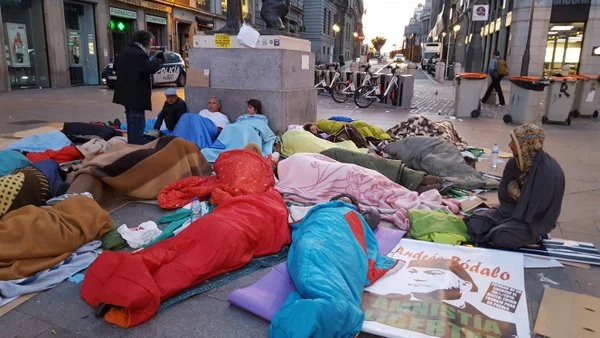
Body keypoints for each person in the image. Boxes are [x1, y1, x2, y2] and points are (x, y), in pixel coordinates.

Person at [467, 123, 565, 249]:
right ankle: (501, 231)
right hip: (510, 212)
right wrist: (516, 193)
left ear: (525, 145)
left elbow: (536, 210)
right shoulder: (514, 162)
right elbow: (504, 195)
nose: (510, 145)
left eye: (514, 141)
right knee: (477, 220)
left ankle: (534, 237)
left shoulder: (549, 172)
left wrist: (516, 192)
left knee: (500, 236)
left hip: (532, 222)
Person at [113, 30, 164, 145]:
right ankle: (136, 146)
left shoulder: (124, 51)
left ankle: (132, 143)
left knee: (131, 121)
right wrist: (158, 62)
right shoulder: (139, 53)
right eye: (151, 42)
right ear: (145, 42)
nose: (151, 45)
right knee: (137, 122)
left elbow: (116, 67)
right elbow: (148, 68)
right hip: (136, 95)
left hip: (125, 94)